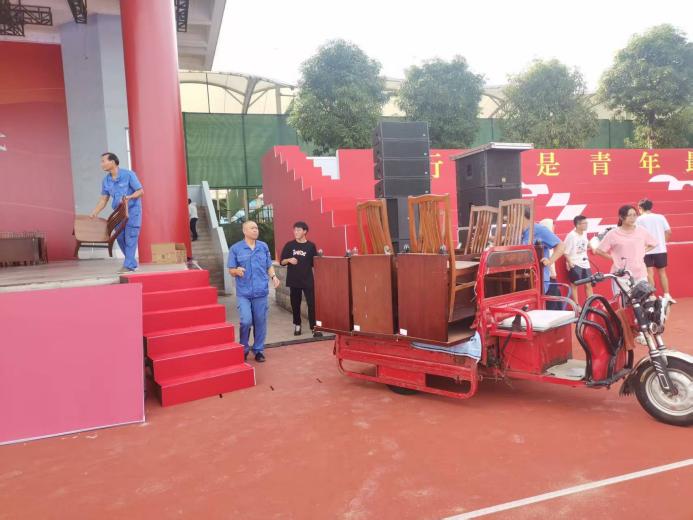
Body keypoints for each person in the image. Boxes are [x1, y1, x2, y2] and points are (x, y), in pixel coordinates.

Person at [228, 221, 280, 362]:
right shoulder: (236, 248)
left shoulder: (263, 247)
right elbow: (231, 270)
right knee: (246, 321)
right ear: (244, 231)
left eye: (256, 228)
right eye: (252, 228)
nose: (255, 230)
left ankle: (258, 350)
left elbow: (269, 265)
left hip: (261, 291)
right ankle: (244, 348)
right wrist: (236, 271)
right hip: (244, 293)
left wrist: (274, 277)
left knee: (260, 322)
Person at [89, 152, 143, 273]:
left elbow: (140, 191)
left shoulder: (128, 175)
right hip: (119, 214)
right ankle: (131, 263)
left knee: (130, 237)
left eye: (103, 161)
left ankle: (128, 265)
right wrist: (95, 212)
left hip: (132, 211)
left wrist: (129, 197)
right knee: (119, 237)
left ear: (113, 162)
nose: (101, 164)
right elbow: (104, 199)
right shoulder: (106, 181)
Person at [595, 205, 657, 296]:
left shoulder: (641, 231)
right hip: (621, 275)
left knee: (642, 301)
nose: (633, 218)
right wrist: (614, 259)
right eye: (629, 215)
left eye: (635, 215)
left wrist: (642, 251)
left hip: (640, 274)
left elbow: (653, 243)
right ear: (621, 217)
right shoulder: (612, 233)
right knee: (623, 302)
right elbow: (599, 251)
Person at [279, 221, 321, 338]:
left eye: (298, 230)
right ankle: (297, 325)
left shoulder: (311, 246)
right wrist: (289, 260)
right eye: (295, 230)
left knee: (312, 304)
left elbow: (314, 263)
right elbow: (281, 261)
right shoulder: (289, 245)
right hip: (294, 280)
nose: (295, 232)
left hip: (307, 279)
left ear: (305, 231)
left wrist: (320, 258)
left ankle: (314, 327)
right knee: (295, 304)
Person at [521, 207, 565, 309]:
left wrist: (549, 261)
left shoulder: (539, 229)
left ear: (522, 216)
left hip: (538, 280)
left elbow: (561, 246)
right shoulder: (519, 233)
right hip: (524, 279)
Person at [637, 199, 675, 303]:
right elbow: (669, 232)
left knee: (649, 273)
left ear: (640, 208)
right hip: (660, 249)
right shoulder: (660, 217)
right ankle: (667, 295)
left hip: (646, 250)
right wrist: (663, 242)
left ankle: (652, 296)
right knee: (662, 272)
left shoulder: (639, 219)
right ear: (651, 207)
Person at [564, 215, 594, 306]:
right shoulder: (571, 236)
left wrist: (592, 247)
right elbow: (565, 252)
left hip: (585, 262)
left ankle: (590, 304)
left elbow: (586, 242)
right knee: (575, 285)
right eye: (584, 223)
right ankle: (577, 305)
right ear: (577, 225)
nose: (586, 225)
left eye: (586, 223)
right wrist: (569, 262)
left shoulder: (584, 233)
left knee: (588, 284)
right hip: (575, 263)